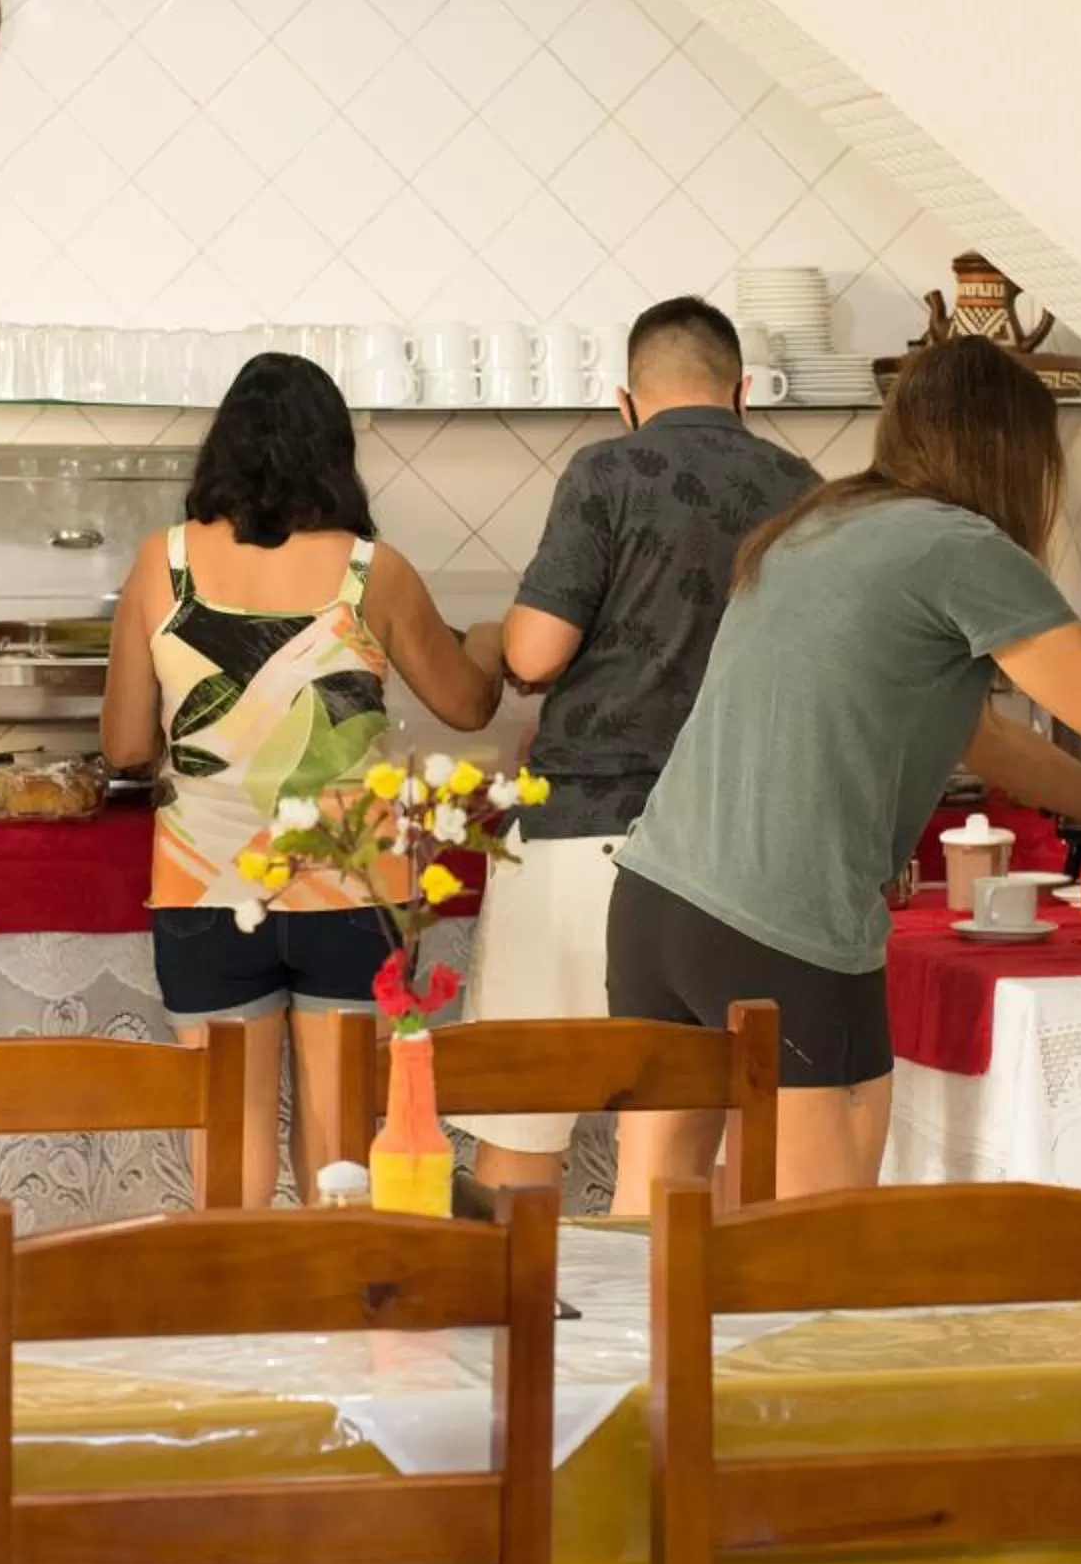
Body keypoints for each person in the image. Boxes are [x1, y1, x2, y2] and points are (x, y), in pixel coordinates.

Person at [607, 335, 1081, 1203]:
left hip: (656, 901)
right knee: (822, 1236)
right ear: (1020, 453)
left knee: (650, 1220)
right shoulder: (962, 545)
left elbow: (985, 739)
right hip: (781, 922)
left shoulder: (817, 526)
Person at [100, 352, 505, 1207]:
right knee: (341, 1156)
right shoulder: (373, 570)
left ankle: (239, 1293)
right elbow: (468, 704)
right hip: (351, 889)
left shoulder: (161, 563)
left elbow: (127, 745)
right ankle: (343, 1295)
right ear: (334, 455)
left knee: (231, 1161)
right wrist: (489, 641)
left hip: (208, 887)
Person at [456, 296, 821, 1194]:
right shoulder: (804, 487)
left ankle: (510, 1288)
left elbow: (535, 653)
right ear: (742, 392)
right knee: (695, 1148)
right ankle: (685, 1293)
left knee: (524, 1122)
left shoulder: (605, 470)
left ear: (625, 400)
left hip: (585, 829)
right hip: (735, 852)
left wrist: (493, 638)